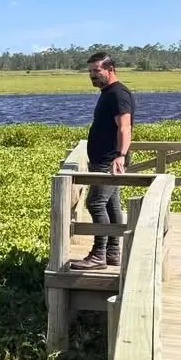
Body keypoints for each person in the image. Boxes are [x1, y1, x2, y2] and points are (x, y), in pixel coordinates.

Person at [70, 51, 134, 270]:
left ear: (110, 69)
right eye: (90, 71)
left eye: (96, 71)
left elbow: (125, 127)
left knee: (95, 202)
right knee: (111, 204)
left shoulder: (118, 94)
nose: (92, 75)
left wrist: (121, 155)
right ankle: (113, 252)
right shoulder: (108, 92)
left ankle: (99, 255)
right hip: (105, 158)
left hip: (110, 160)